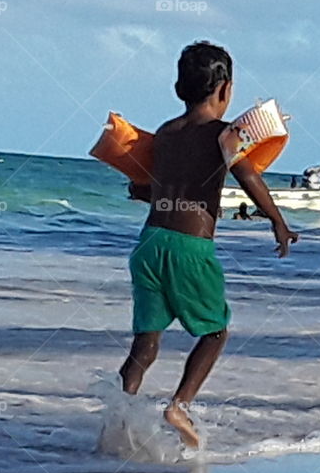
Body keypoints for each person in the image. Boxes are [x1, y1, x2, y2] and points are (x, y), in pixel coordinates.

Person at [121, 41, 298, 448]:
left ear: (179, 88)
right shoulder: (224, 136)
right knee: (215, 332)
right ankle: (178, 405)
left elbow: (165, 193)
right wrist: (278, 222)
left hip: (149, 244)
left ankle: (119, 419)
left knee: (146, 343)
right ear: (225, 90)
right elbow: (248, 177)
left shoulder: (166, 133)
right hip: (190, 249)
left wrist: (141, 192)